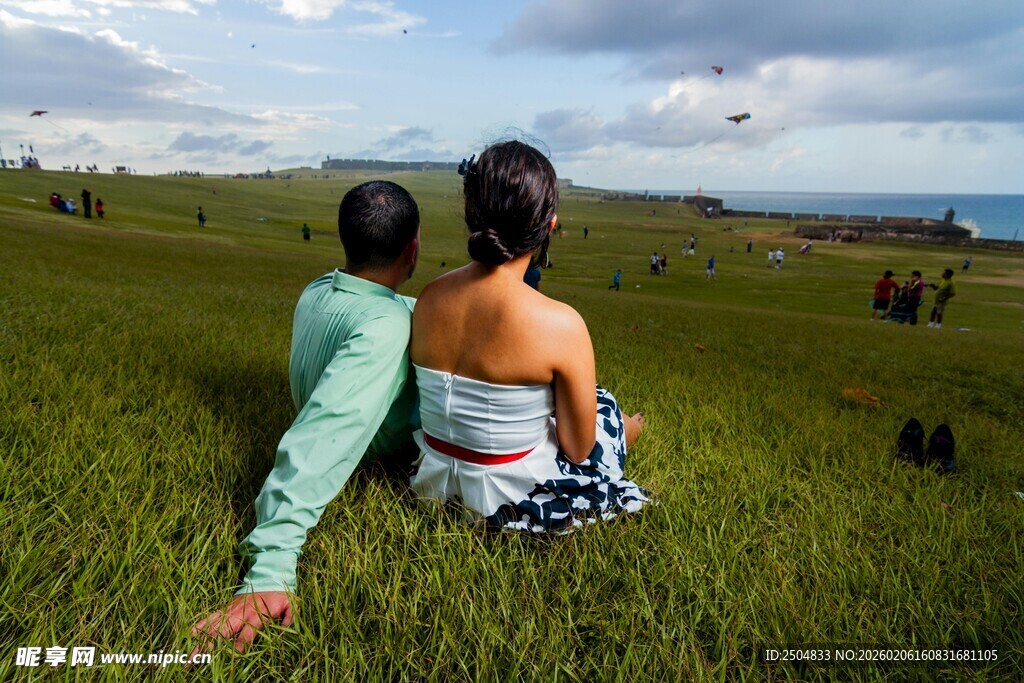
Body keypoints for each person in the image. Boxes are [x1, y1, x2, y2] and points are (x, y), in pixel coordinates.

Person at [191, 181, 422, 652]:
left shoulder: (318, 288)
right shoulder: (388, 326)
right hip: (377, 447)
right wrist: (270, 566)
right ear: (412, 249)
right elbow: (324, 430)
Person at [408, 140, 650, 532]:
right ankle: (629, 428)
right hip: (509, 496)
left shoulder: (429, 296)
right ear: (549, 224)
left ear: (472, 211)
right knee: (602, 407)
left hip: (434, 482)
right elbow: (577, 449)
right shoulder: (560, 323)